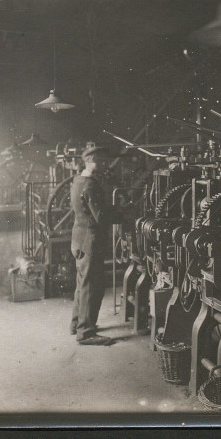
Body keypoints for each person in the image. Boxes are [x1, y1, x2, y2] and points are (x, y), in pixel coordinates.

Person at [69, 146, 129, 345]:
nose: (104, 165)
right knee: (92, 286)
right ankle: (86, 333)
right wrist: (122, 212)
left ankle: (77, 323)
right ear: (90, 161)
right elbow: (101, 217)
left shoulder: (77, 180)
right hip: (91, 240)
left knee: (82, 284)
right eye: (101, 161)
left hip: (78, 238)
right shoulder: (91, 185)